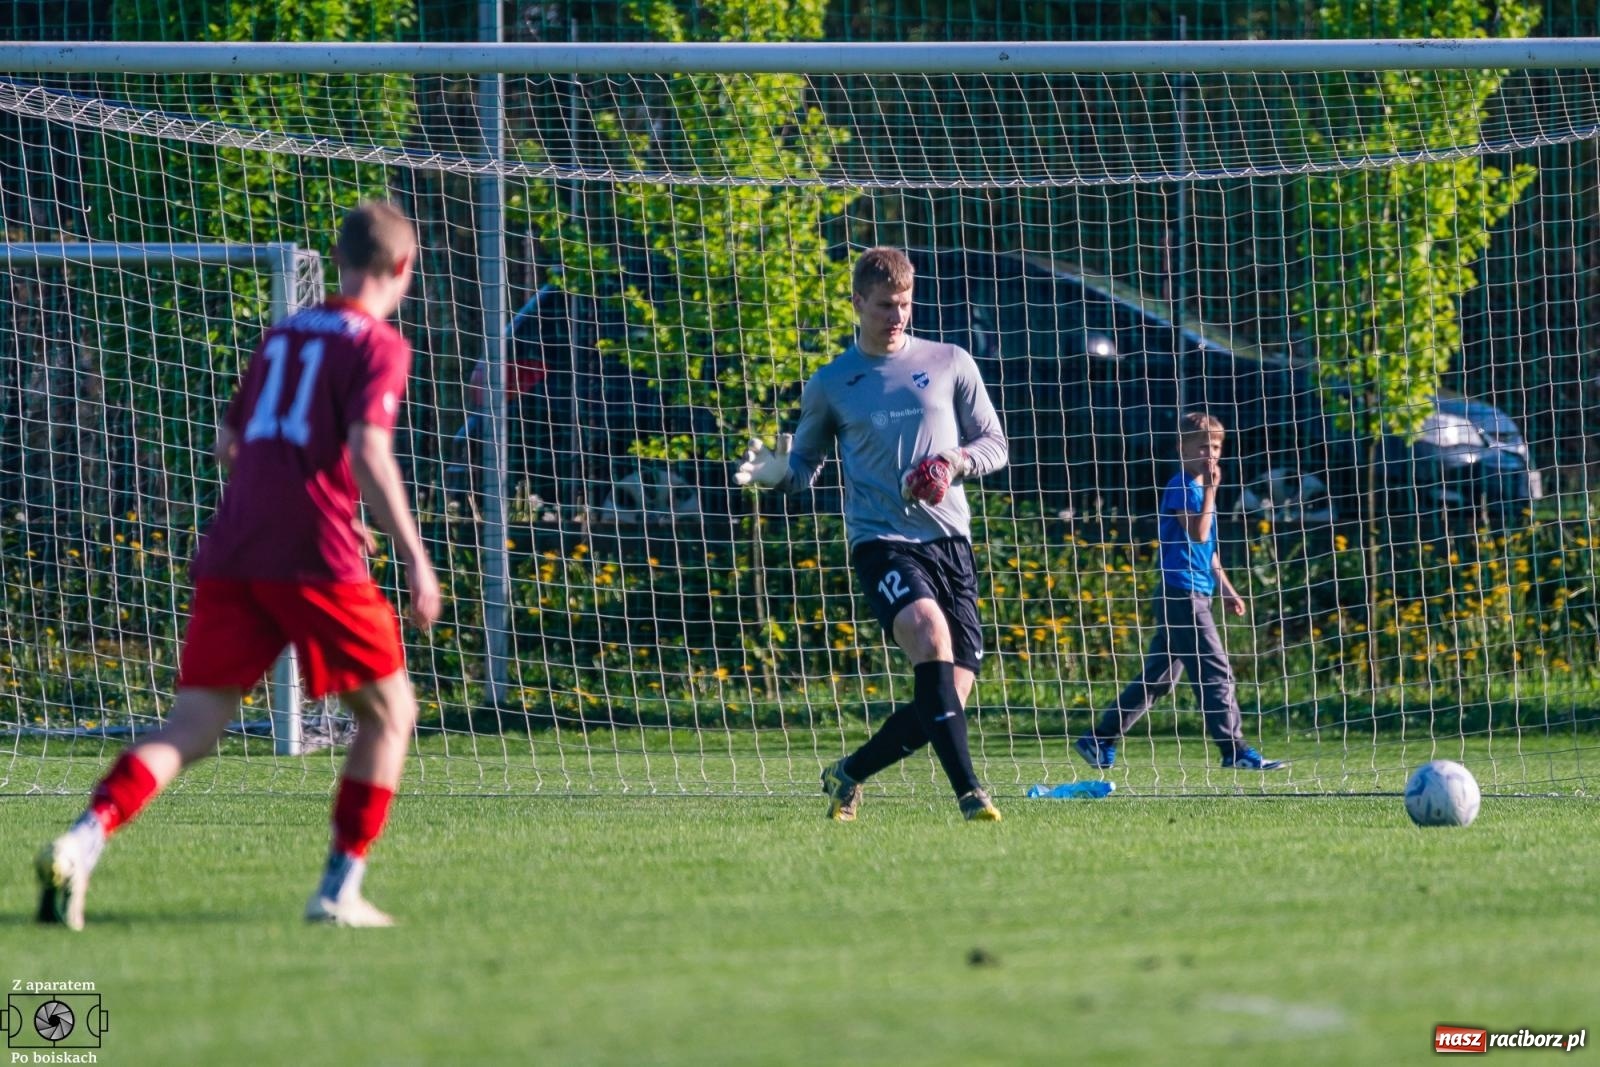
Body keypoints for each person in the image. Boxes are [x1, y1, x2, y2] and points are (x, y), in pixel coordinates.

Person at [35, 201, 441, 930]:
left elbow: (230, 445)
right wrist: (415, 556)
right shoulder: (379, 343)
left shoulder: (283, 333)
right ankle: (338, 889)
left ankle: (81, 839)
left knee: (189, 727)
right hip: (313, 553)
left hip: (235, 544)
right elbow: (370, 450)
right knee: (392, 713)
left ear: (338, 256)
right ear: (404, 267)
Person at [736, 246, 1009, 821]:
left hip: (949, 543)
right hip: (880, 541)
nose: (897, 317)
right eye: (885, 305)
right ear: (858, 302)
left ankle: (848, 773)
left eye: (905, 305)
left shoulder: (950, 361)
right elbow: (804, 466)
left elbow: (994, 444)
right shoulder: (833, 382)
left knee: (946, 699)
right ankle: (970, 794)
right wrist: (780, 473)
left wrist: (953, 463)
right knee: (927, 633)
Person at [1073, 412, 1286, 772]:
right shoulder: (1182, 485)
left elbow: (1209, 551)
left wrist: (1229, 590)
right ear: (1181, 448)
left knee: (1159, 678)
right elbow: (1198, 533)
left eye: (1216, 446)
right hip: (1181, 595)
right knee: (1216, 671)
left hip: (1196, 592)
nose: (1210, 454)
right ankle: (1234, 750)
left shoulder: (1201, 490)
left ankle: (1100, 737)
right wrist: (1211, 492)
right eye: (1202, 445)